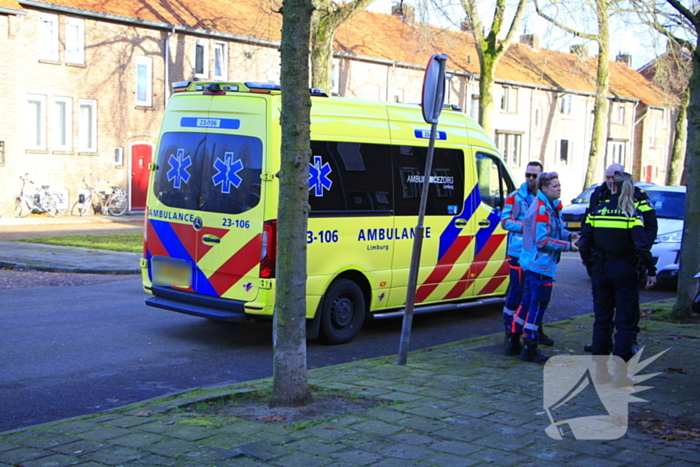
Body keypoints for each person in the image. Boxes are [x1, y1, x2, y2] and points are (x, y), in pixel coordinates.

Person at [578, 172, 657, 386]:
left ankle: (601, 373)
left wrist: (591, 265)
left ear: (612, 187)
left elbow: (583, 243)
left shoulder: (597, 211)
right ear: (628, 189)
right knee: (625, 322)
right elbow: (641, 245)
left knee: (602, 321)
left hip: (601, 271)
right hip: (624, 271)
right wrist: (650, 269)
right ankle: (620, 375)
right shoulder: (631, 213)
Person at [511, 172, 579, 363]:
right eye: (555, 186)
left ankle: (514, 338)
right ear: (544, 189)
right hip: (540, 265)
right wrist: (569, 247)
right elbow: (542, 240)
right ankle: (530, 346)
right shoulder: (542, 208)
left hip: (534, 263)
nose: (559, 188)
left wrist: (568, 236)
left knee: (527, 303)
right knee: (537, 305)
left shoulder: (546, 206)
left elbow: (553, 230)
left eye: (559, 185)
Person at [500, 161, 543, 356]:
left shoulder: (544, 198)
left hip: (537, 254)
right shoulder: (515, 197)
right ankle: (510, 334)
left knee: (533, 294)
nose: (531, 178)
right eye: (528, 175)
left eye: (535, 175)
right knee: (517, 292)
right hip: (518, 254)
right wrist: (528, 227)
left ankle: (534, 331)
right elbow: (505, 222)